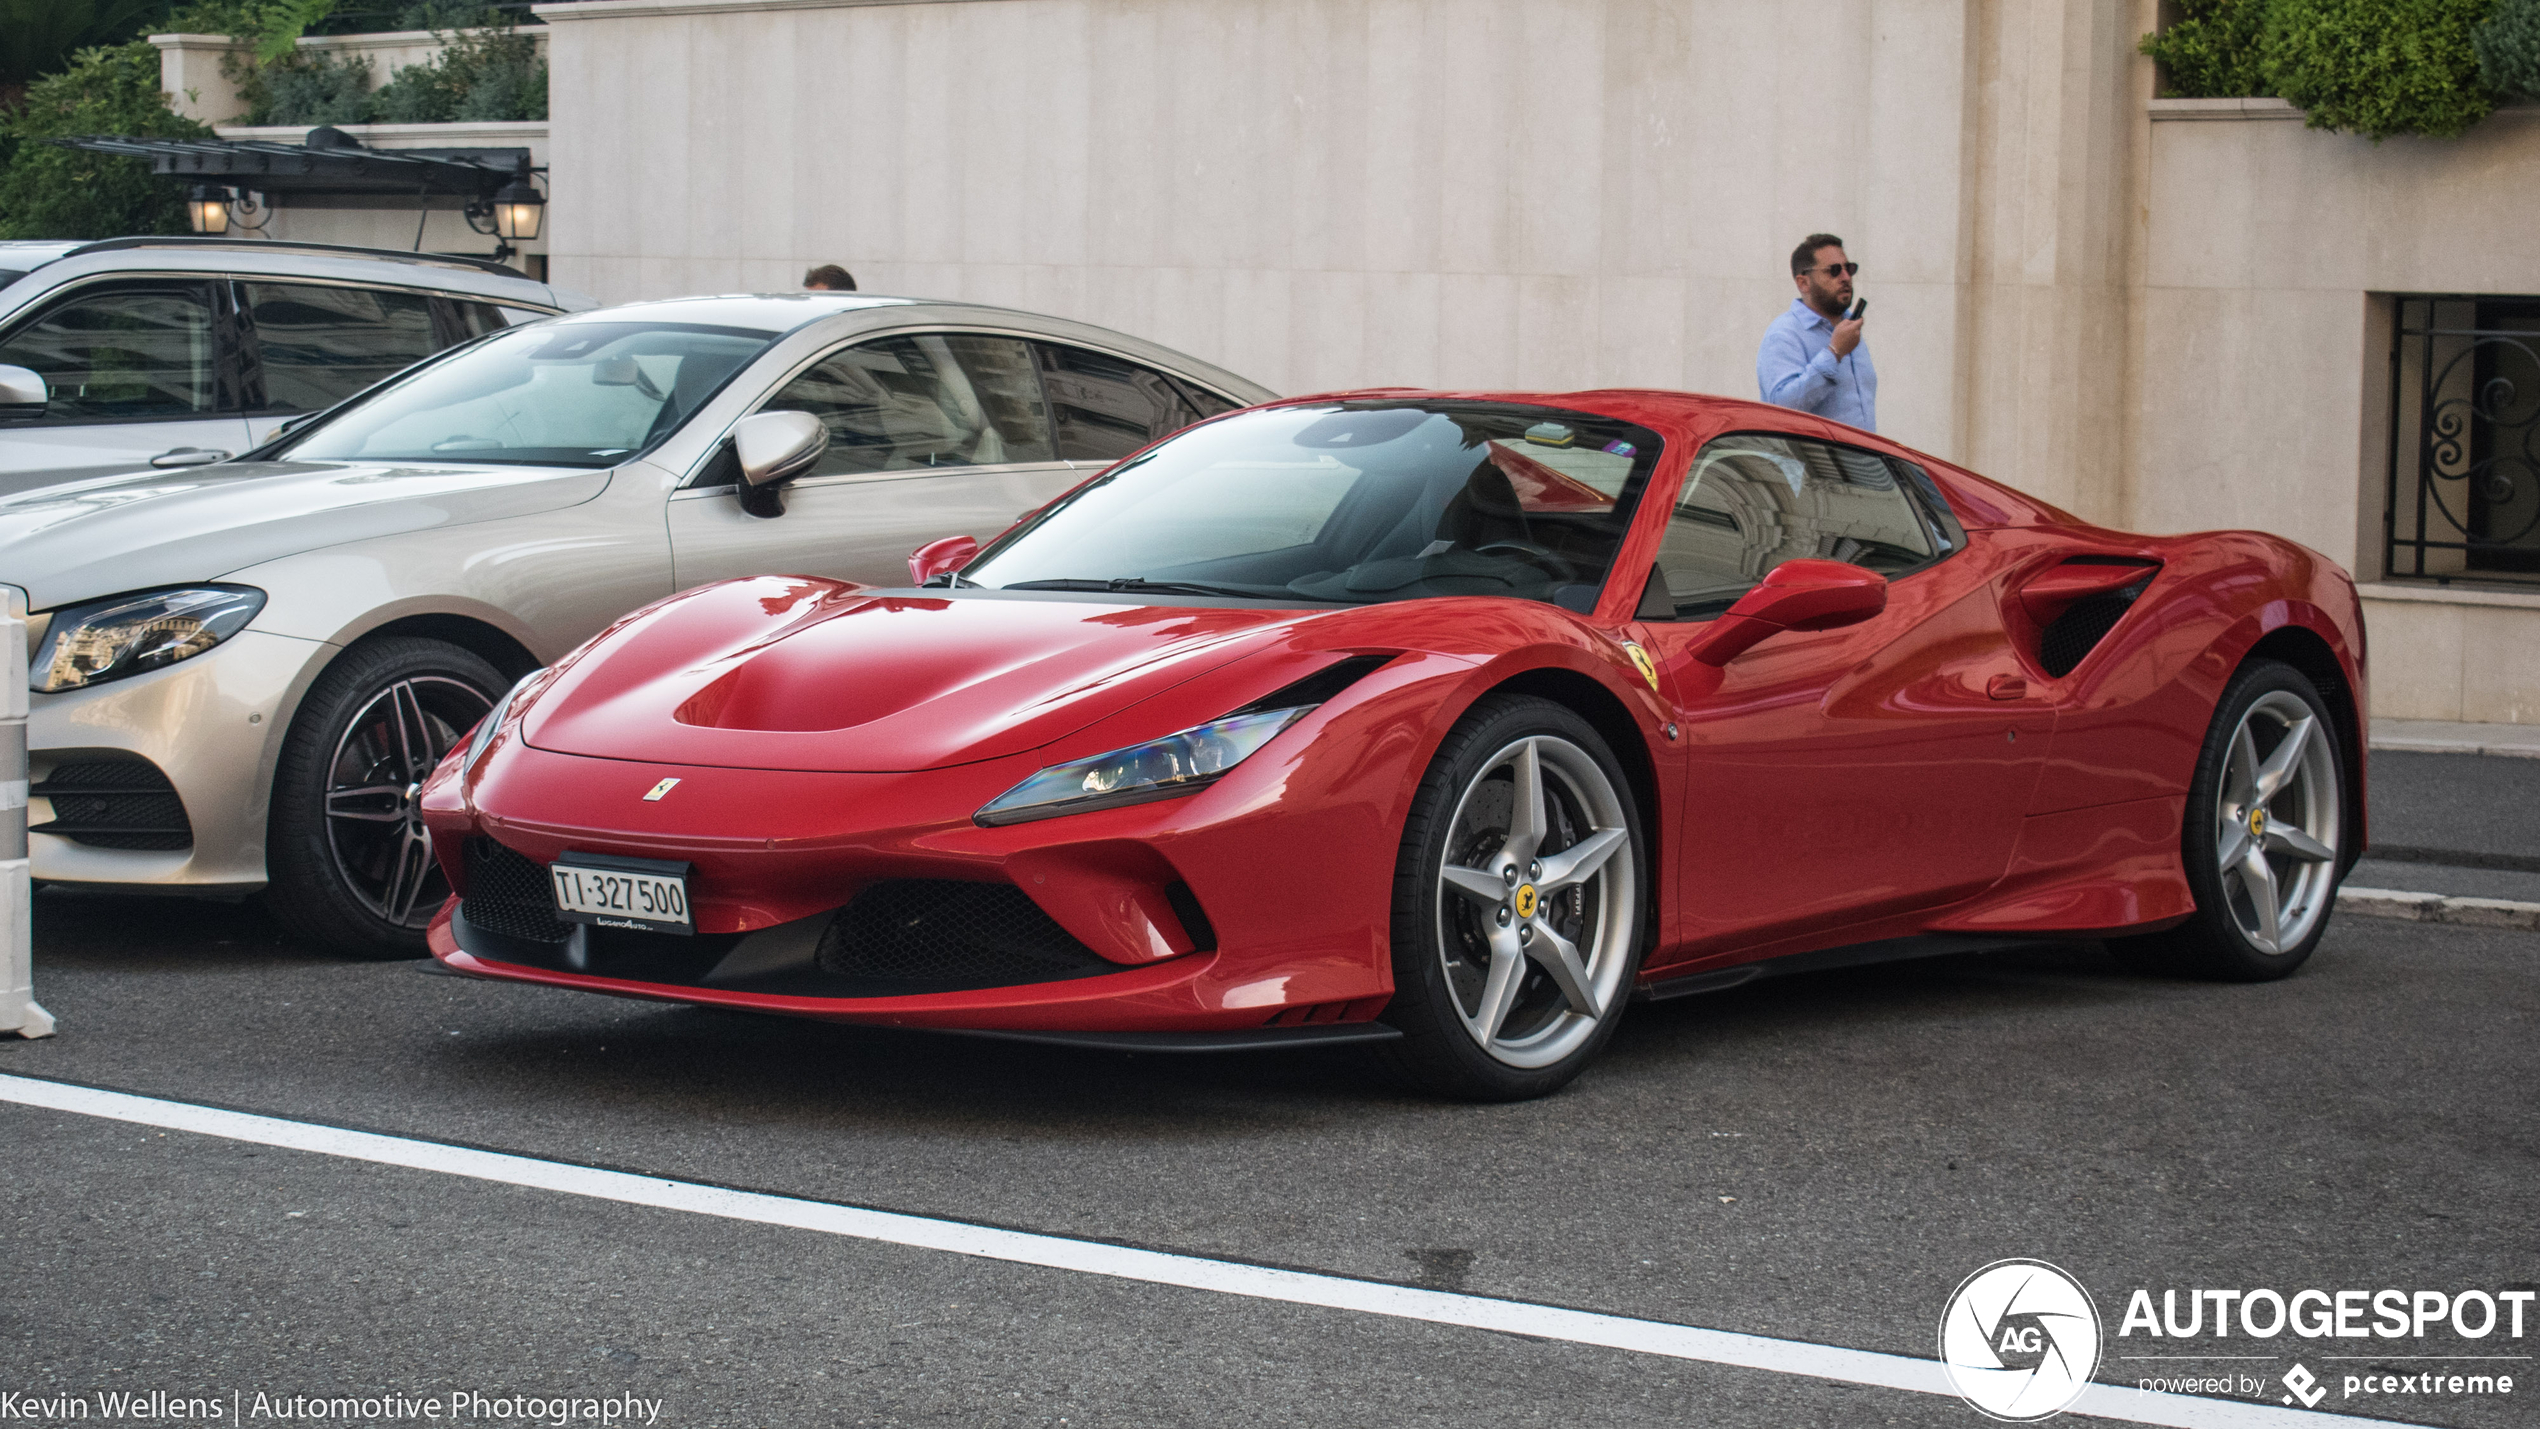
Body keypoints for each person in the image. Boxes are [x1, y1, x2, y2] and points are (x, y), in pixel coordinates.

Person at [1757, 233, 1875, 432]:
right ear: (1803, 283)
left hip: (1858, 462)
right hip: (1811, 462)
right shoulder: (1784, 333)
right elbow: (1781, 410)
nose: (1846, 278)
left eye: (1849, 268)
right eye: (1834, 271)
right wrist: (1834, 353)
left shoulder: (1849, 329)